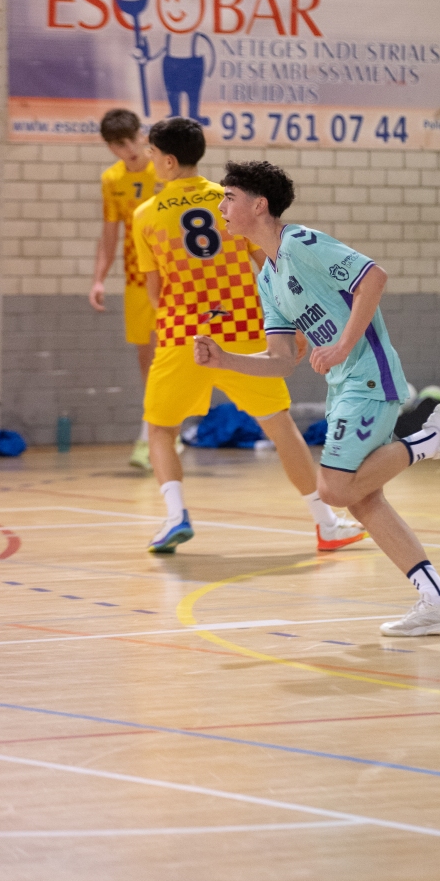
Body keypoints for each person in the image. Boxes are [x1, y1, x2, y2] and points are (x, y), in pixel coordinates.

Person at [193, 161, 440, 638]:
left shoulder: (300, 242)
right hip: (343, 386)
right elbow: (282, 360)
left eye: (229, 197)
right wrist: (225, 359)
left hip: (368, 377)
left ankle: (434, 439)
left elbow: (373, 277)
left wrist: (343, 345)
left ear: (259, 205)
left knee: (334, 490)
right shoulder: (267, 278)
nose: (221, 208)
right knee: (362, 498)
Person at [132, 117, 366, 555]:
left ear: (168, 160)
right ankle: (326, 524)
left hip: (183, 335)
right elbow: (269, 263)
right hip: (243, 331)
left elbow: (153, 291)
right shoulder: (229, 199)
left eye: (151, 153)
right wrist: (293, 323)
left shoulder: (145, 215)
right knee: (280, 427)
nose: (149, 159)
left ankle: (175, 516)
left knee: (161, 430)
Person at [89, 108, 159, 470]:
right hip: (136, 280)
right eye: (119, 144)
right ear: (110, 147)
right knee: (146, 360)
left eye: (132, 140)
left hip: (174, 279)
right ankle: (158, 430)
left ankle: (157, 434)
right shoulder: (111, 179)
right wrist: (99, 278)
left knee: (170, 355)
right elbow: (109, 235)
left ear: (142, 135)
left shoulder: (163, 167)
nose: (128, 149)